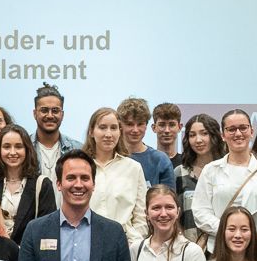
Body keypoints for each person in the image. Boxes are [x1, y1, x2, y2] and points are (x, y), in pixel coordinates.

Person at [191, 109, 257, 254]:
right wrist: (228, 232)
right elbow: (200, 211)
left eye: (243, 128)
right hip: (218, 251)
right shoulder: (211, 171)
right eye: (231, 129)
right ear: (223, 135)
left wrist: (256, 236)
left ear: (252, 131)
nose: (238, 133)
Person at [0, 121, 56, 241]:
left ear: (27, 149)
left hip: (28, 255)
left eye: (18, 146)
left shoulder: (42, 184)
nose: (12, 152)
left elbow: (48, 228)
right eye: (7, 147)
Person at [84, 106, 148, 241]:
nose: (108, 134)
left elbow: (141, 216)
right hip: (85, 239)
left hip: (124, 243)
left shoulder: (133, 168)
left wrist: (134, 243)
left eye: (113, 128)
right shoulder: (79, 166)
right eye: (102, 127)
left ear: (120, 132)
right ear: (91, 131)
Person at [175, 112, 222, 239]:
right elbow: (175, 216)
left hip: (223, 243)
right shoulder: (180, 173)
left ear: (215, 135)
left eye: (204, 133)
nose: (198, 140)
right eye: (192, 135)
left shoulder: (225, 170)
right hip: (189, 245)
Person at [117, 96, 176, 190]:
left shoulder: (160, 160)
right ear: (120, 125)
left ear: (146, 125)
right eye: (130, 124)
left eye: (140, 124)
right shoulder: (111, 156)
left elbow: (168, 201)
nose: (135, 130)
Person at [29, 83, 81, 179]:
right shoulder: (25, 147)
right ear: (35, 114)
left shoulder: (77, 149)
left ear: (62, 114)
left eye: (55, 111)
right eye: (44, 110)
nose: (50, 115)